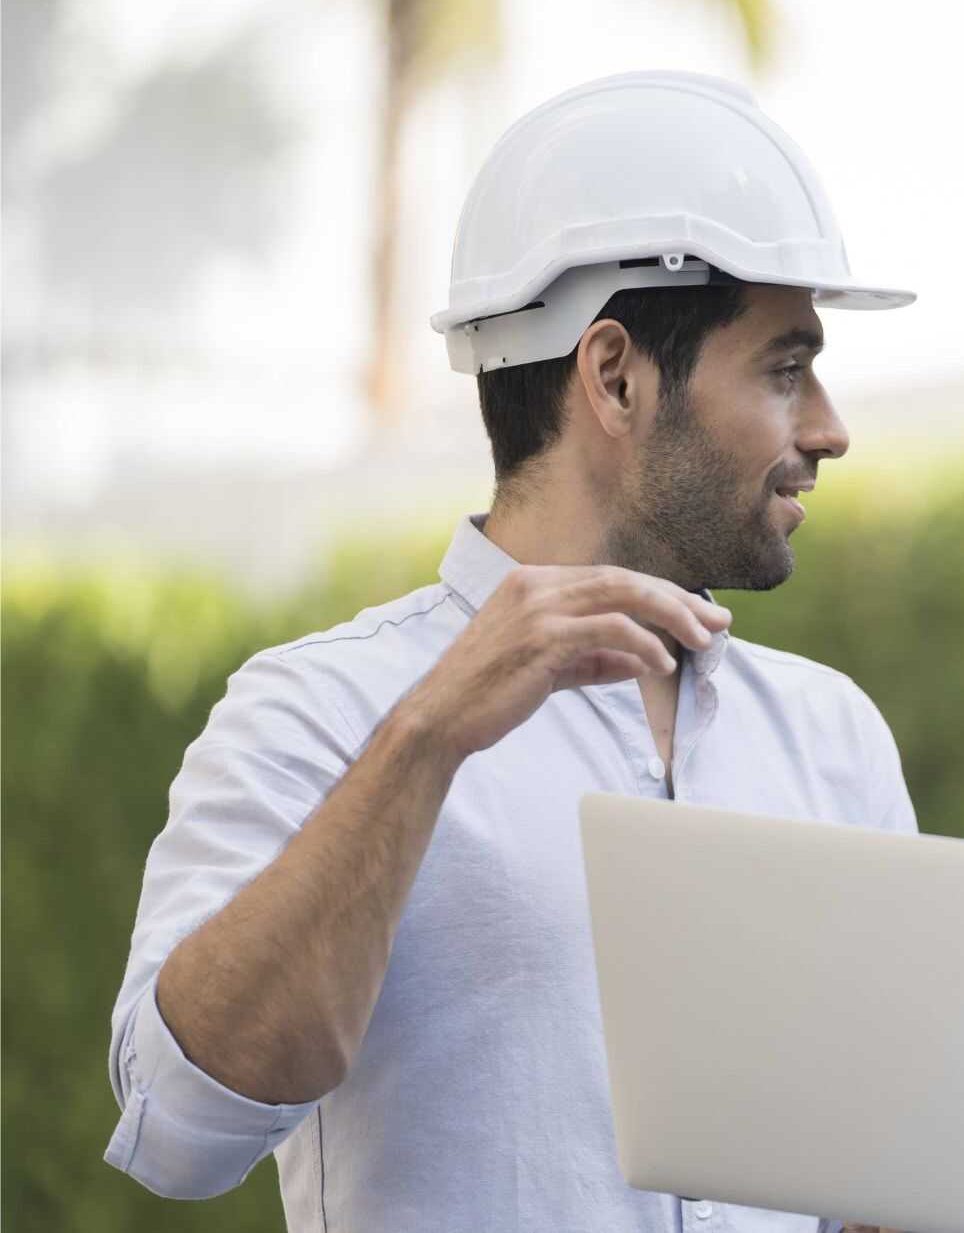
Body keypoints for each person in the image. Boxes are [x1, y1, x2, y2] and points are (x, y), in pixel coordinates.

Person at [105, 71, 916, 1232]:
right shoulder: (320, 709)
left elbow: (880, 1169)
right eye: (785, 369)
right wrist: (428, 738)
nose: (829, 428)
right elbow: (179, 1133)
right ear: (615, 375)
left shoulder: (831, 734)